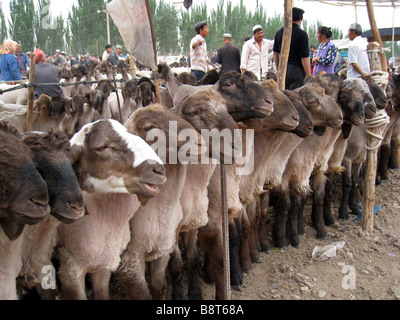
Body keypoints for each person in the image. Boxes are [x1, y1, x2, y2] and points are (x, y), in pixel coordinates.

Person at [273, 7, 311, 89]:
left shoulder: (279, 33)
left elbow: (275, 54)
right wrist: (308, 75)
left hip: (283, 70)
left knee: (283, 96)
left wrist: (279, 69)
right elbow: (304, 58)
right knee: (295, 98)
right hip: (296, 71)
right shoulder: (302, 34)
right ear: (301, 18)